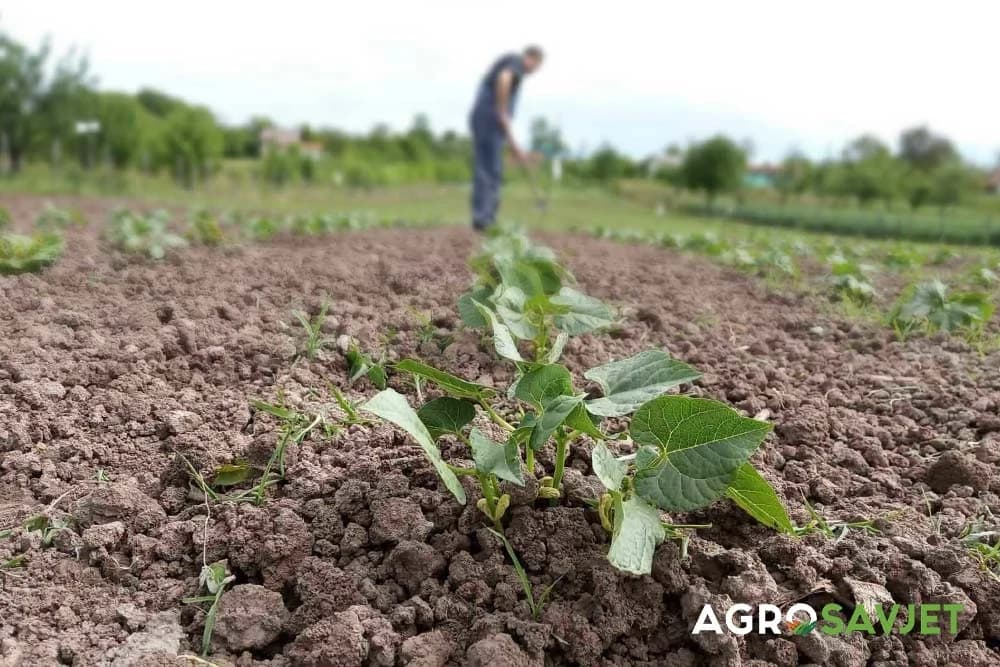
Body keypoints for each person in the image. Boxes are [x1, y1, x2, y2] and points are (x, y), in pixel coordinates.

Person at [469, 46, 544, 231]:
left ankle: (485, 218)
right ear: (532, 58)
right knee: (489, 168)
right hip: (489, 117)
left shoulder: (514, 67)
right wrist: (502, 112)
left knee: (489, 167)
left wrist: (513, 146)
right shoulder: (516, 62)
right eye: (537, 66)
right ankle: (484, 219)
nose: (534, 71)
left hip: (488, 119)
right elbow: (504, 78)